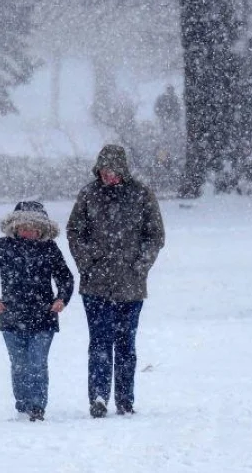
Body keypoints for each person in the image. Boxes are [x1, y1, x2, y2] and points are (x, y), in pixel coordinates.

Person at [66, 144, 165, 418]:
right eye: (103, 171)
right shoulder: (88, 194)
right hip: (95, 285)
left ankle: (125, 399)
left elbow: (155, 236)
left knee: (125, 345)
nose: (107, 176)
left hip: (131, 287)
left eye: (112, 171)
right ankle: (98, 397)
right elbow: (74, 232)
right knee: (99, 343)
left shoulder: (142, 194)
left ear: (122, 170)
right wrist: (87, 262)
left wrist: (139, 267)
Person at [0, 201, 75, 422]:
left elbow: (65, 278)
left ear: (42, 229)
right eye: (24, 226)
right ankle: (22, 404)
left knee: (37, 363)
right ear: (15, 227)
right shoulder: (3, 247)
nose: (28, 232)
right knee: (19, 365)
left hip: (44, 317)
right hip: (11, 317)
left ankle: (37, 407)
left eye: (34, 227)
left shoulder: (49, 249)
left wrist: (61, 299)